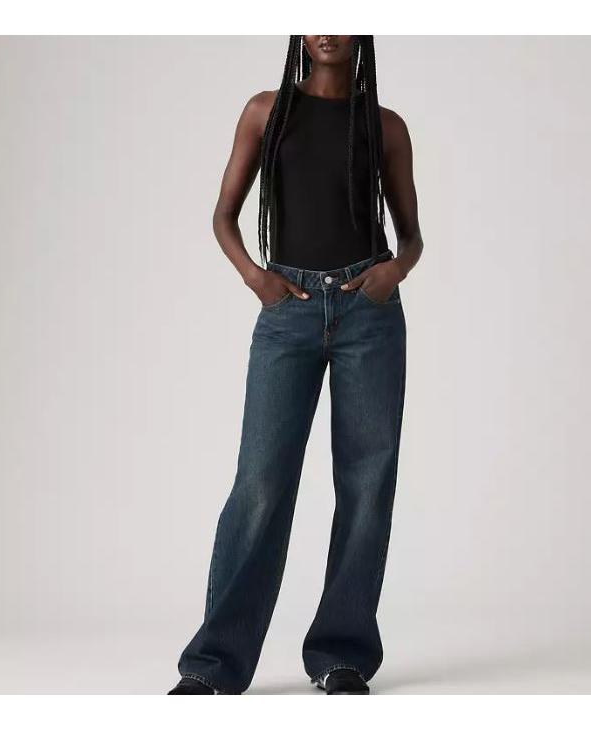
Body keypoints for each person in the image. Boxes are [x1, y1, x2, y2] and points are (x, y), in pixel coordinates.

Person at [168, 35, 423, 695]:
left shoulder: (385, 126)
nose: (326, 27)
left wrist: (394, 271)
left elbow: (411, 235)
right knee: (261, 483)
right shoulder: (266, 111)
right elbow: (224, 217)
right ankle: (213, 664)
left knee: (367, 485)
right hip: (290, 311)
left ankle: (341, 654)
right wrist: (257, 279)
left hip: (369, 315)